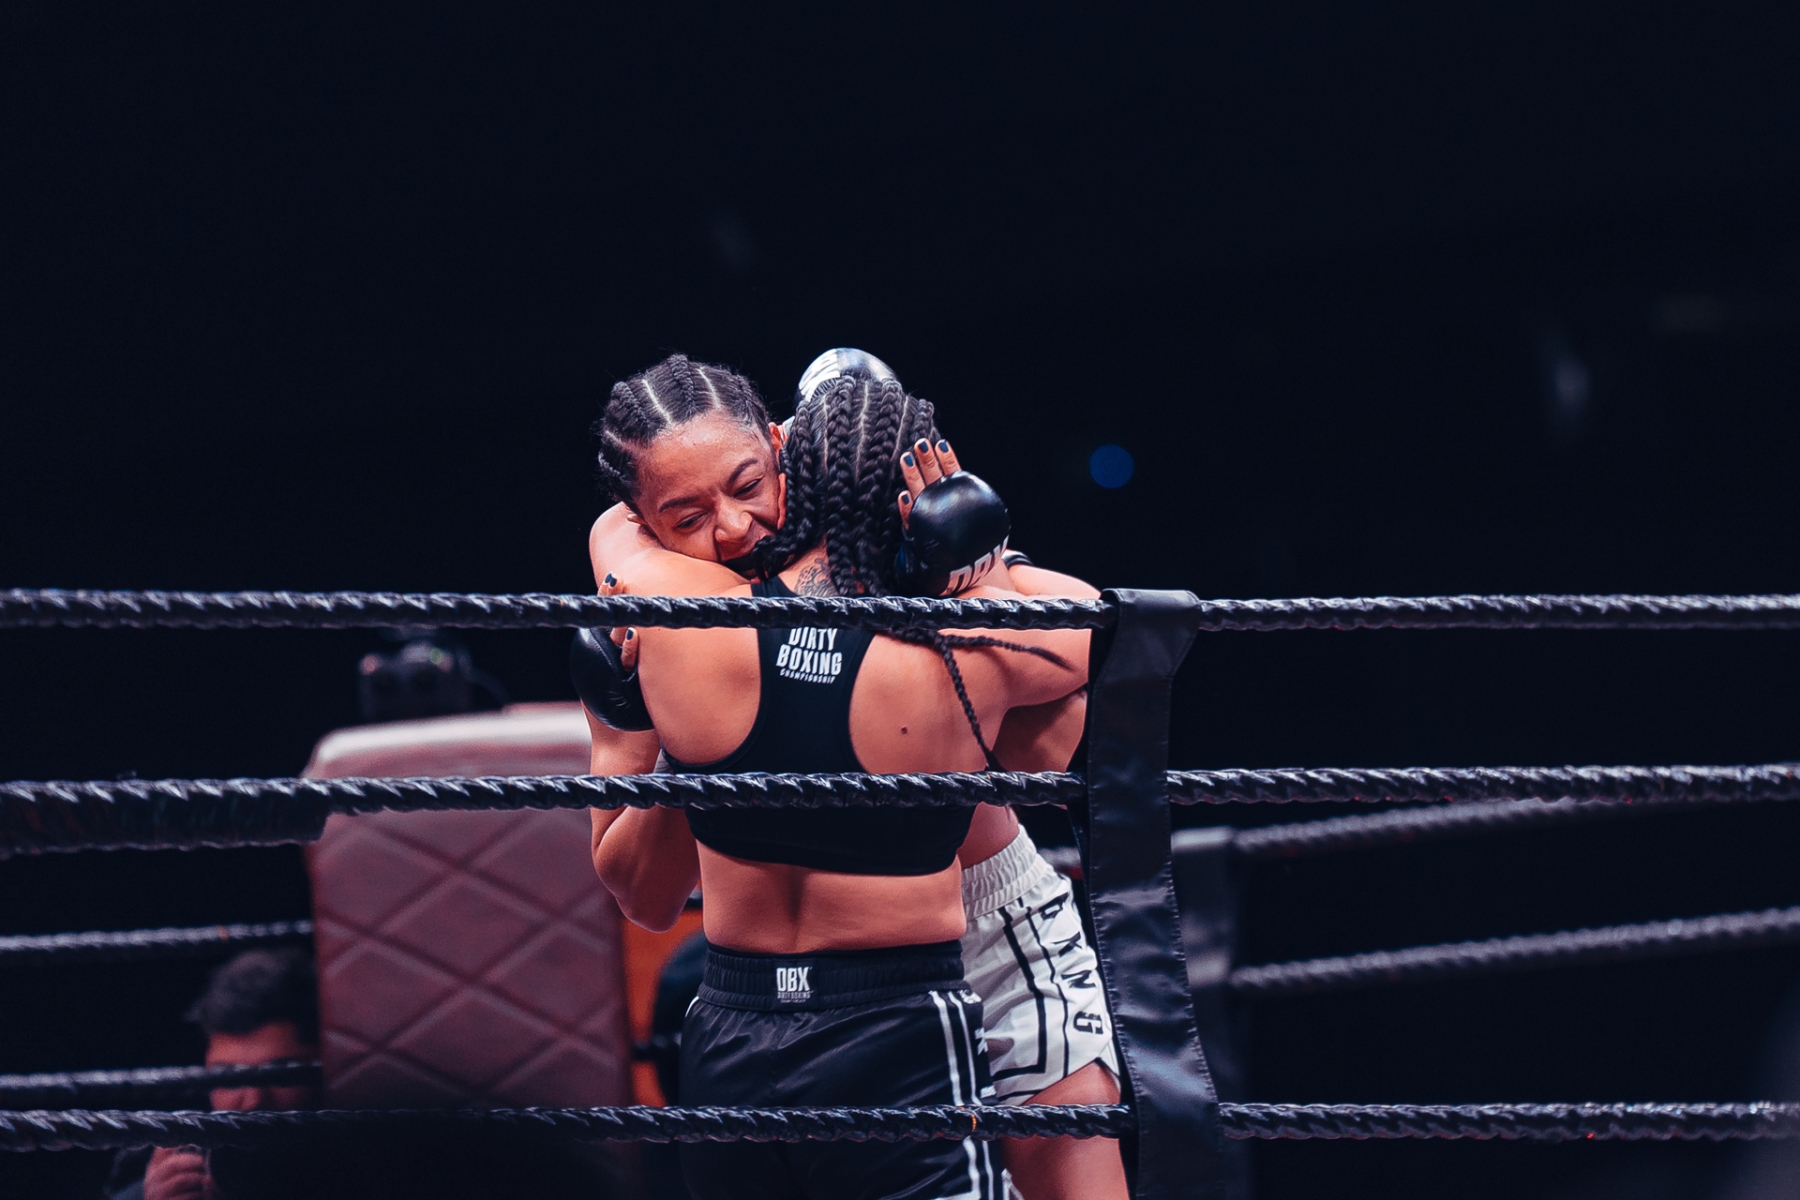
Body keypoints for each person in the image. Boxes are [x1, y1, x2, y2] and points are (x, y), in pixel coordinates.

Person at [577, 352, 1126, 1200]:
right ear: (647, 519)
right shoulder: (668, 610)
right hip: (794, 980)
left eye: (747, 485)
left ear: (782, 450)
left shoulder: (900, 574)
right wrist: (683, 745)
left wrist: (966, 566)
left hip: (981, 912)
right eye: (687, 516)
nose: (733, 528)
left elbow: (1041, 755)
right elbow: (645, 896)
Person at [105, 948, 319, 1200]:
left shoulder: (359, 1167)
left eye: (279, 1075)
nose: (253, 1101)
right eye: (228, 1078)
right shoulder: (168, 1178)